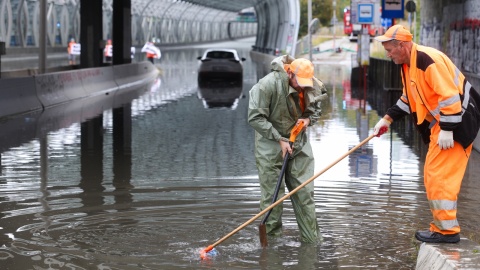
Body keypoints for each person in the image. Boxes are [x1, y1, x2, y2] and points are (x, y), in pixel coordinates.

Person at [373, 25, 477, 243]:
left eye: (390, 50)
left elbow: (449, 97)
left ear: (402, 45)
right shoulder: (408, 64)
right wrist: (388, 118)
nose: (388, 54)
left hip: (457, 124)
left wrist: (448, 130)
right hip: (445, 124)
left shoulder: (427, 60)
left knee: (441, 178)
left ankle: (448, 232)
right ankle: (441, 227)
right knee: (432, 175)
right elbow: (409, 98)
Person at [247, 55, 327, 243]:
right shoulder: (267, 85)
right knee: (272, 201)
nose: (302, 87)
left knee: (305, 194)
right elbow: (254, 117)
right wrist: (279, 139)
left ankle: (312, 243)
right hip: (270, 144)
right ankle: (272, 248)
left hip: (299, 143)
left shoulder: (311, 85)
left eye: (306, 85)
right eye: (299, 83)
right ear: (289, 73)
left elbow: (315, 110)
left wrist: (307, 120)